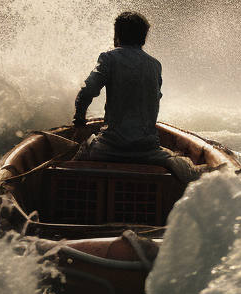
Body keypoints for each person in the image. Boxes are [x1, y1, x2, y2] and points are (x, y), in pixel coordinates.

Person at [72, 11, 199, 182]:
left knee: (79, 152)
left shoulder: (108, 58)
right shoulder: (155, 65)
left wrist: (79, 120)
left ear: (117, 35)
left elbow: (87, 91)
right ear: (143, 39)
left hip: (110, 148)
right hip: (148, 151)